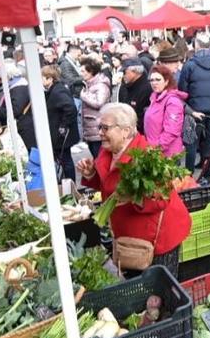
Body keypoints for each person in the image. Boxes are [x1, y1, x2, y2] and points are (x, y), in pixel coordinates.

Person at [77, 103, 191, 276]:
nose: (100, 132)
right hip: (129, 238)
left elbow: (162, 199)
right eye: (100, 127)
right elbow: (108, 185)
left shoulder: (146, 157)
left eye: (105, 128)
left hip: (157, 238)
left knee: (158, 291)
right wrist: (91, 174)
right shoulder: (108, 151)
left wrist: (134, 197)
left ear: (125, 130)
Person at [178, 33, 210, 183]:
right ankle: (206, 175)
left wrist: (187, 109)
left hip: (193, 111)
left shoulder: (189, 65)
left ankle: (188, 178)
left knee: (191, 143)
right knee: (209, 142)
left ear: (196, 46)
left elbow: (182, 91)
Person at [41, 65, 80, 181]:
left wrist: (63, 125)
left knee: (66, 160)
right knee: (64, 159)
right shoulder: (54, 90)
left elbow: (70, 108)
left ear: (50, 79)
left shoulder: (58, 91)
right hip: (60, 132)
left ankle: (70, 183)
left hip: (62, 134)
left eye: (42, 77)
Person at [0, 61, 36, 153]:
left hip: (24, 129)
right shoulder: (17, 86)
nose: (0, 80)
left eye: (1, 78)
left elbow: (15, 111)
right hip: (23, 127)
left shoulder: (18, 89)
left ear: (8, 77)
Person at [143, 65, 186, 158]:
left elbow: (172, 131)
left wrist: (156, 148)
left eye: (158, 80)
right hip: (153, 152)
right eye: (152, 80)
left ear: (166, 81)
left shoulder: (172, 101)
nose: (154, 83)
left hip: (167, 155)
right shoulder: (154, 98)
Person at [79, 56, 111, 157]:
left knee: (100, 157)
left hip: (97, 128)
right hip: (90, 128)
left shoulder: (101, 85)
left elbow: (99, 102)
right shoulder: (89, 84)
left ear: (91, 71)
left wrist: (84, 95)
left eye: (84, 71)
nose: (81, 74)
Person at [117, 58, 153, 135]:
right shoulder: (124, 86)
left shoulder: (147, 89)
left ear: (135, 72)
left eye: (125, 72)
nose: (123, 75)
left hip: (140, 132)